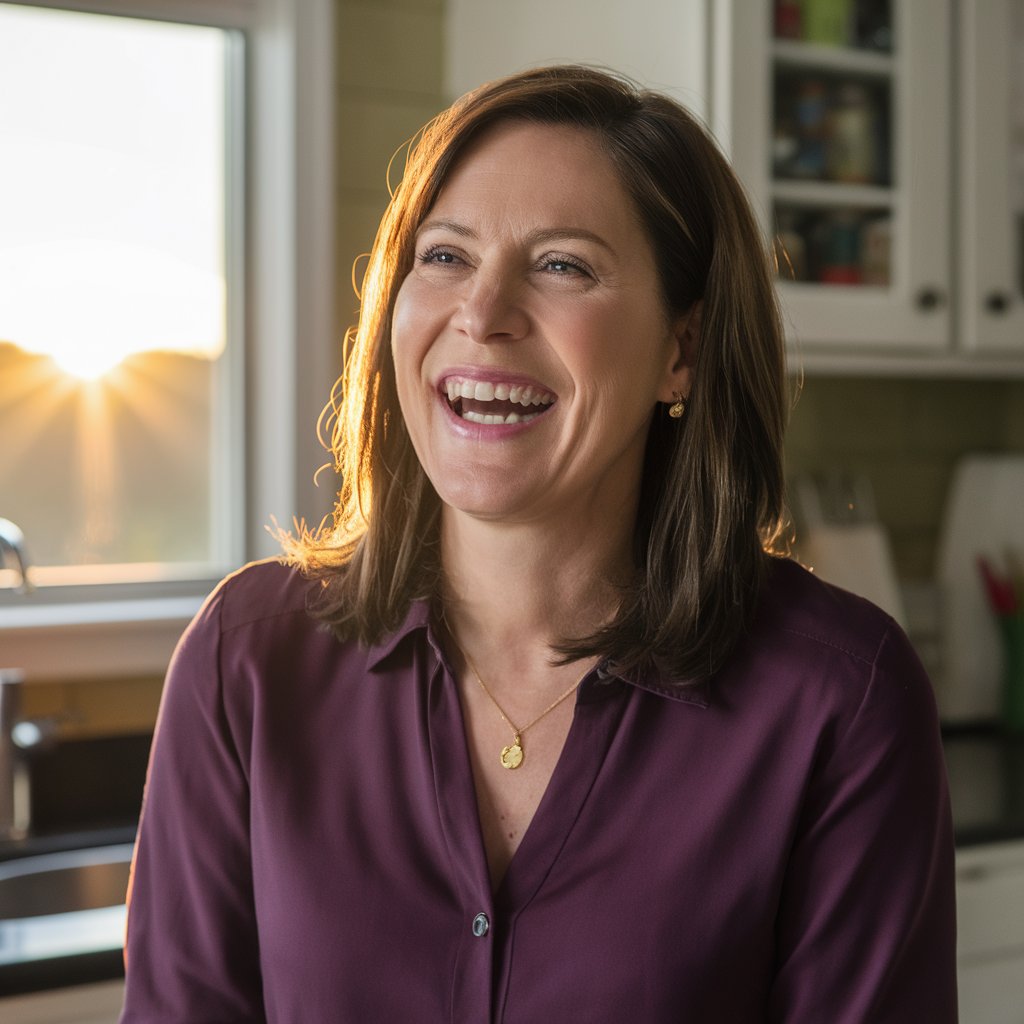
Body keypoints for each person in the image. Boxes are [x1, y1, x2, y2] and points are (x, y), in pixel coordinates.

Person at [120, 65, 957, 1022]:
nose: (482, 313)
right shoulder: (246, 661)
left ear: (681, 351)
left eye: (563, 265)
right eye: (444, 257)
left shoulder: (840, 702)